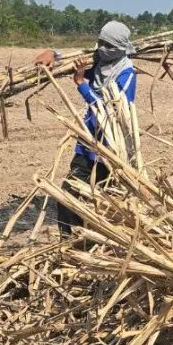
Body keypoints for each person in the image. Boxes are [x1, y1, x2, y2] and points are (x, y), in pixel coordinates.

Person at [34, 21, 138, 235]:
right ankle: (68, 239)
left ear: (120, 48)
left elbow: (110, 109)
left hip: (110, 149)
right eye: (100, 42)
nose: (101, 48)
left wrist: (82, 84)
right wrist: (54, 54)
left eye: (107, 45)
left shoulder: (126, 74)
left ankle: (96, 241)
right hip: (87, 143)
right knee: (68, 195)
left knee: (105, 202)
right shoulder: (101, 62)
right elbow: (75, 59)